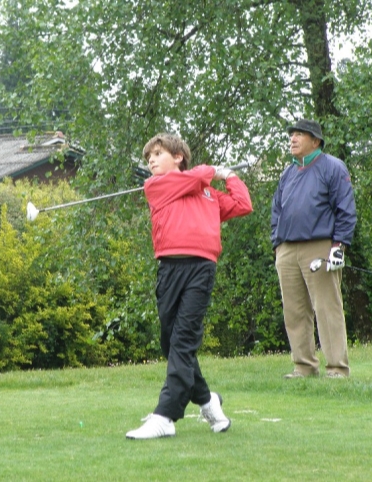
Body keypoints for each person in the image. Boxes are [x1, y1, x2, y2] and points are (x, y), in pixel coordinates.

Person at [126, 133, 253, 440]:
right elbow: (199, 175)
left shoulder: (208, 193)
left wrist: (231, 176)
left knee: (182, 342)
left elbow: (242, 204)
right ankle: (209, 402)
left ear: (178, 156)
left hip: (201, 269)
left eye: (157, 154)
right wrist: (215, 170)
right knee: (171, 343)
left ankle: (165, 416)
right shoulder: (156, 186)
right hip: (170, 269)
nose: (151, 161)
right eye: (149, 158)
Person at [270, 119, 357, 379]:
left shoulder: (332, 166)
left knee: (327, 308)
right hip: (287, 249)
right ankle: (304, 366)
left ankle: (337, 368)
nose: (292, 139)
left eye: (299, 134)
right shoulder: (288, 172)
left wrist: (339, 245)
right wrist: (277, 244)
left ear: (315, 141)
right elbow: (277, 210)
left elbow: (345, 208)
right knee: (294, 310)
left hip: (319, 246)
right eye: (291, 135)